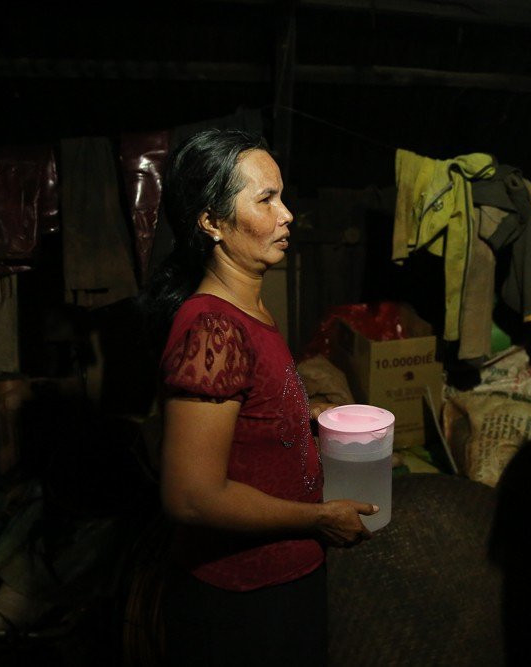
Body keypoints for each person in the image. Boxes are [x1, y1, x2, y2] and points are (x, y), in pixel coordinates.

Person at [145, 129, 377, 665]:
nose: (288, 214)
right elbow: (191, 496)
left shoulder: (249, 311)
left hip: (285, 578)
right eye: (266, 200)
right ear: (211, 223)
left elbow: (248, 408)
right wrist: (317, 517)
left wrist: (302, 414)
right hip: (241, 602)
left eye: (283, 196)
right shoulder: (211, 328)